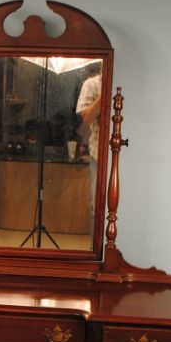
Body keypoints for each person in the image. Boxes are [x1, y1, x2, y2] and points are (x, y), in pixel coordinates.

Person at [76, 72, 102, 241]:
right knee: (97, 208)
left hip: (128, 157)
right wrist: (106, 91)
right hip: (99, 156)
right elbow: (86, 117)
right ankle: (96, 252)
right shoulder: (92, 84)